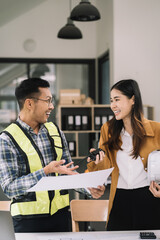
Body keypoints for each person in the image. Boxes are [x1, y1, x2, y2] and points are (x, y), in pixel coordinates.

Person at [0, 78, 105, 233]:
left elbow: (68, 172)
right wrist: (45, 171)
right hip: (28, 222)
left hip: (61, 216)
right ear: (29, 103)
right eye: (47, 100)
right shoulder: (7, 139)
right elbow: (10, 188)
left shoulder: (55, 131)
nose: (51, 106)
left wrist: (89, 189)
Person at [87, 79, 160, 231]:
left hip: (149, 199)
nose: (113, 105)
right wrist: (94, 168)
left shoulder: (156, 129)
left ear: (133, 99)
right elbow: (102, 167)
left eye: (117, 100)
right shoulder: (107, 129)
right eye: (111, 100)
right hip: (119, 199)